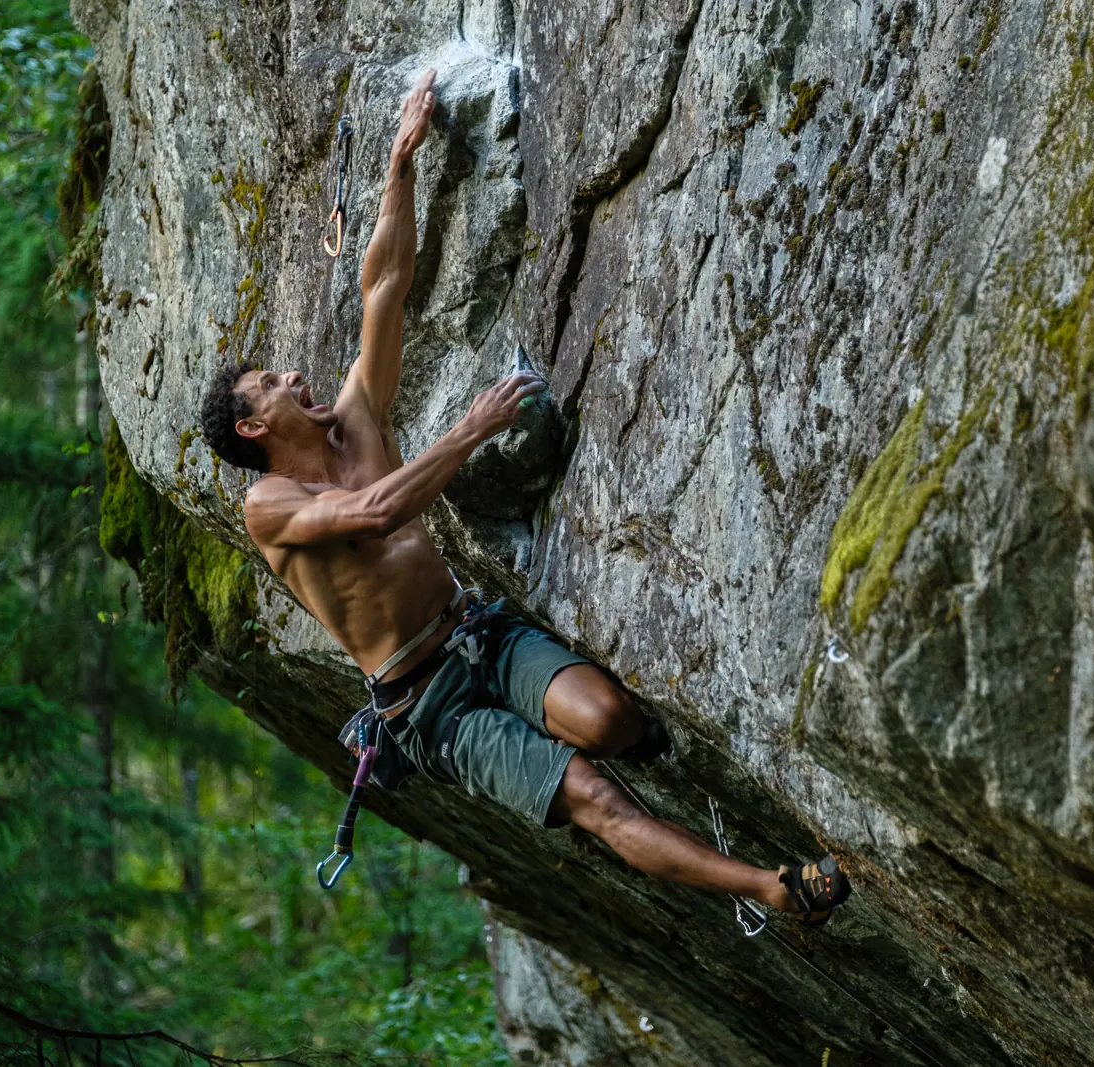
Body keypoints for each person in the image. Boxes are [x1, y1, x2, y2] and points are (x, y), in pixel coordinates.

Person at [198, 69, 849, 923]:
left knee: (613, 720)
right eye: (271, 383)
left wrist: (401, 161)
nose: (291, 375)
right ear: (253, 426)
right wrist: (470, 430)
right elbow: (374, 514)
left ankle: (642, 750)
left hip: (480, 633)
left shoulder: (355, 417)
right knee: (596, 801)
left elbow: (383, 285)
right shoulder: (269, 508)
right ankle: (775, 889)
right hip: (429, 707)